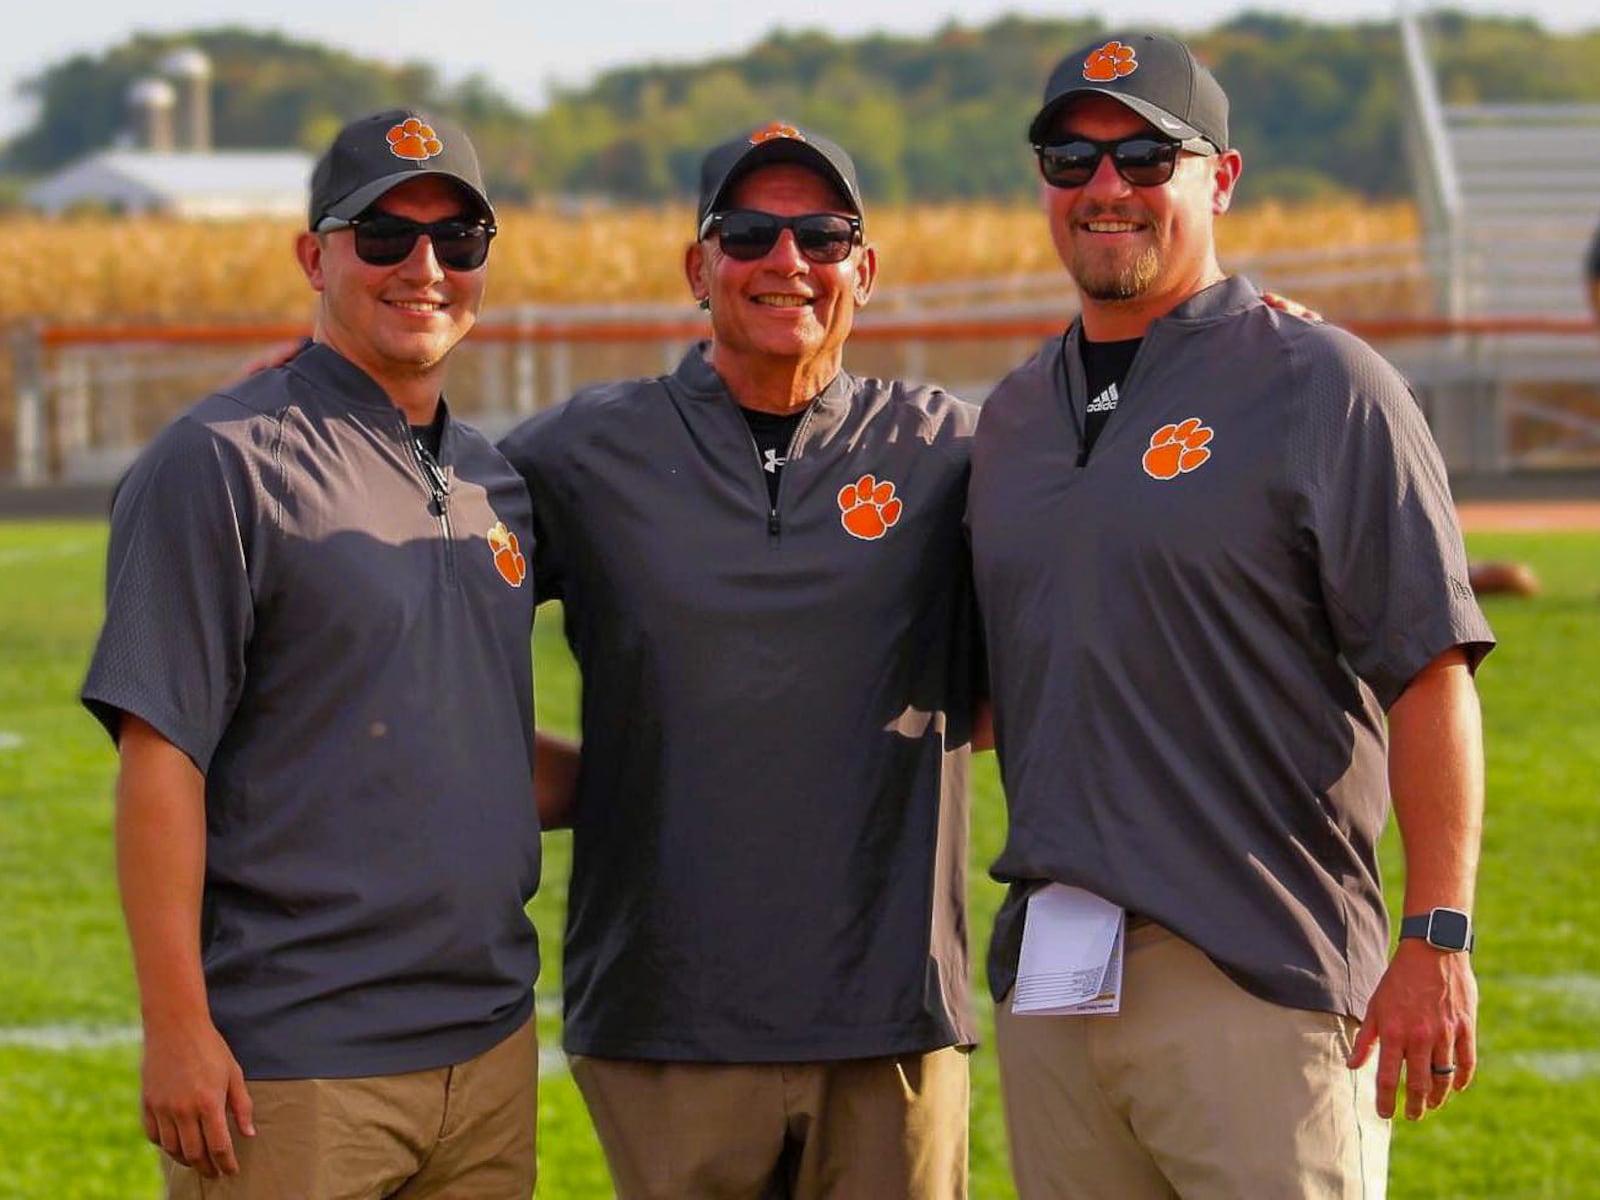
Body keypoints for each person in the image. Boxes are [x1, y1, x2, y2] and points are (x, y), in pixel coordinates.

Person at [965, 33, 1496, 1199]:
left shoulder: (1321, 382)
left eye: (1146, 154)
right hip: (1056, 984)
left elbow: (1430, 674)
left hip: (1261, 975)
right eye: (1071, 156)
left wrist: (1438, 933)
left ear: (1221, 177)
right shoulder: (1008, 417)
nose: (1105, 186)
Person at [81, 109, 563, 1199]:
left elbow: (460, 738)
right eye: (382, 235)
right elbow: (162, 760)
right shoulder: (220, 461)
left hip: (488, 1055)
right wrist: (176, 1029)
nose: (424, 268)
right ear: (314, 255)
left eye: (459, 241)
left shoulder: (499, 481)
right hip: (291, 1068)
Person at [498, 122, 983, 1199]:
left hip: (892, 1018)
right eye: (750, 232)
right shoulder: (582, 453)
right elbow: (401, 555)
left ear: (866, 268)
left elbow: (1137, 524)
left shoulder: (952, 450)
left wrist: (1228, 356)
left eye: (822, 234)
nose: (787, 260)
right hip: (666, 1015)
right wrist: (315, 398)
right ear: (698, 267)